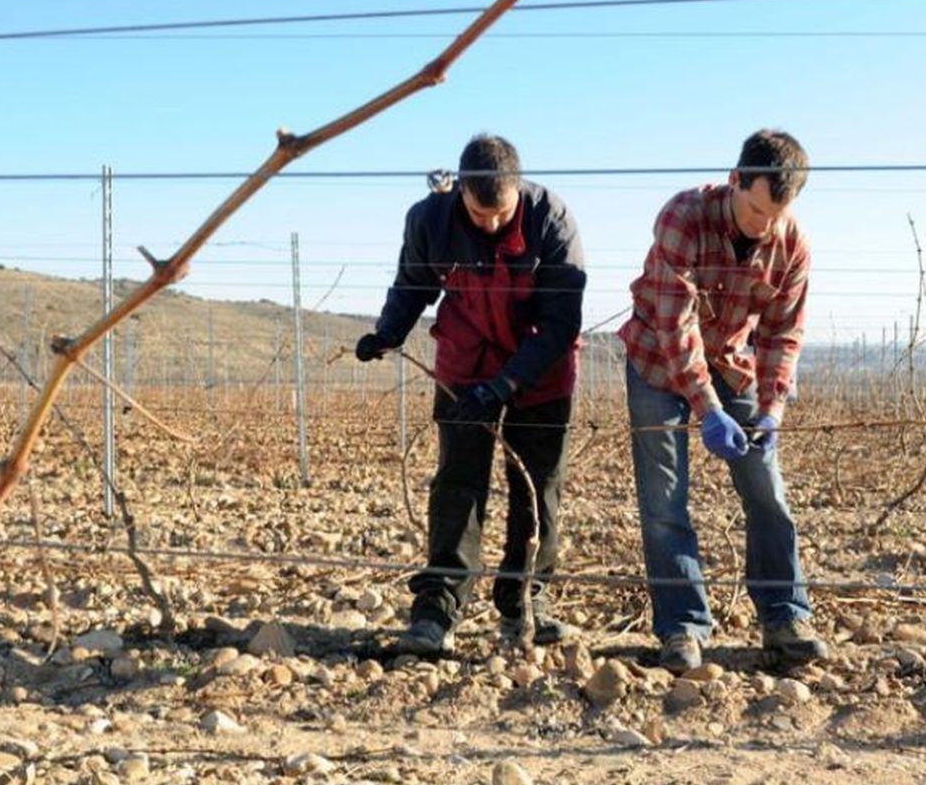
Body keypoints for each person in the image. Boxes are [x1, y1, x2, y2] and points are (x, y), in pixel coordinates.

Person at [355, 134, 585, 656]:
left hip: (540, 370)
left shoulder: (551, 220)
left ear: (517, 193)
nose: (490, 224)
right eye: (480, 214)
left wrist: (505, 384)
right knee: (458, 483)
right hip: (464, 362)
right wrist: (388, 332)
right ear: (459, 192)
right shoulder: (430, 220)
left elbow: (559, 323)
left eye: (500, 214)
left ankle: (527, 604)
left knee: (538, 488)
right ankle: (438, 609)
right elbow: (413, 284)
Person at [619, 129, 828, 672]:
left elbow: (784, 332)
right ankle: (682, 628)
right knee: (664, 499)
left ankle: (785, 618)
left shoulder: (791, 244)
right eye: (757, 211)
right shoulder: (683, 217)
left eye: (777, 215)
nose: (765, 226)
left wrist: (772, 406)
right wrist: (707, 410)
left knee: (767, 486)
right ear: (735, 181)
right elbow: (676, 326)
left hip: (733, 362)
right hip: (658, 358)